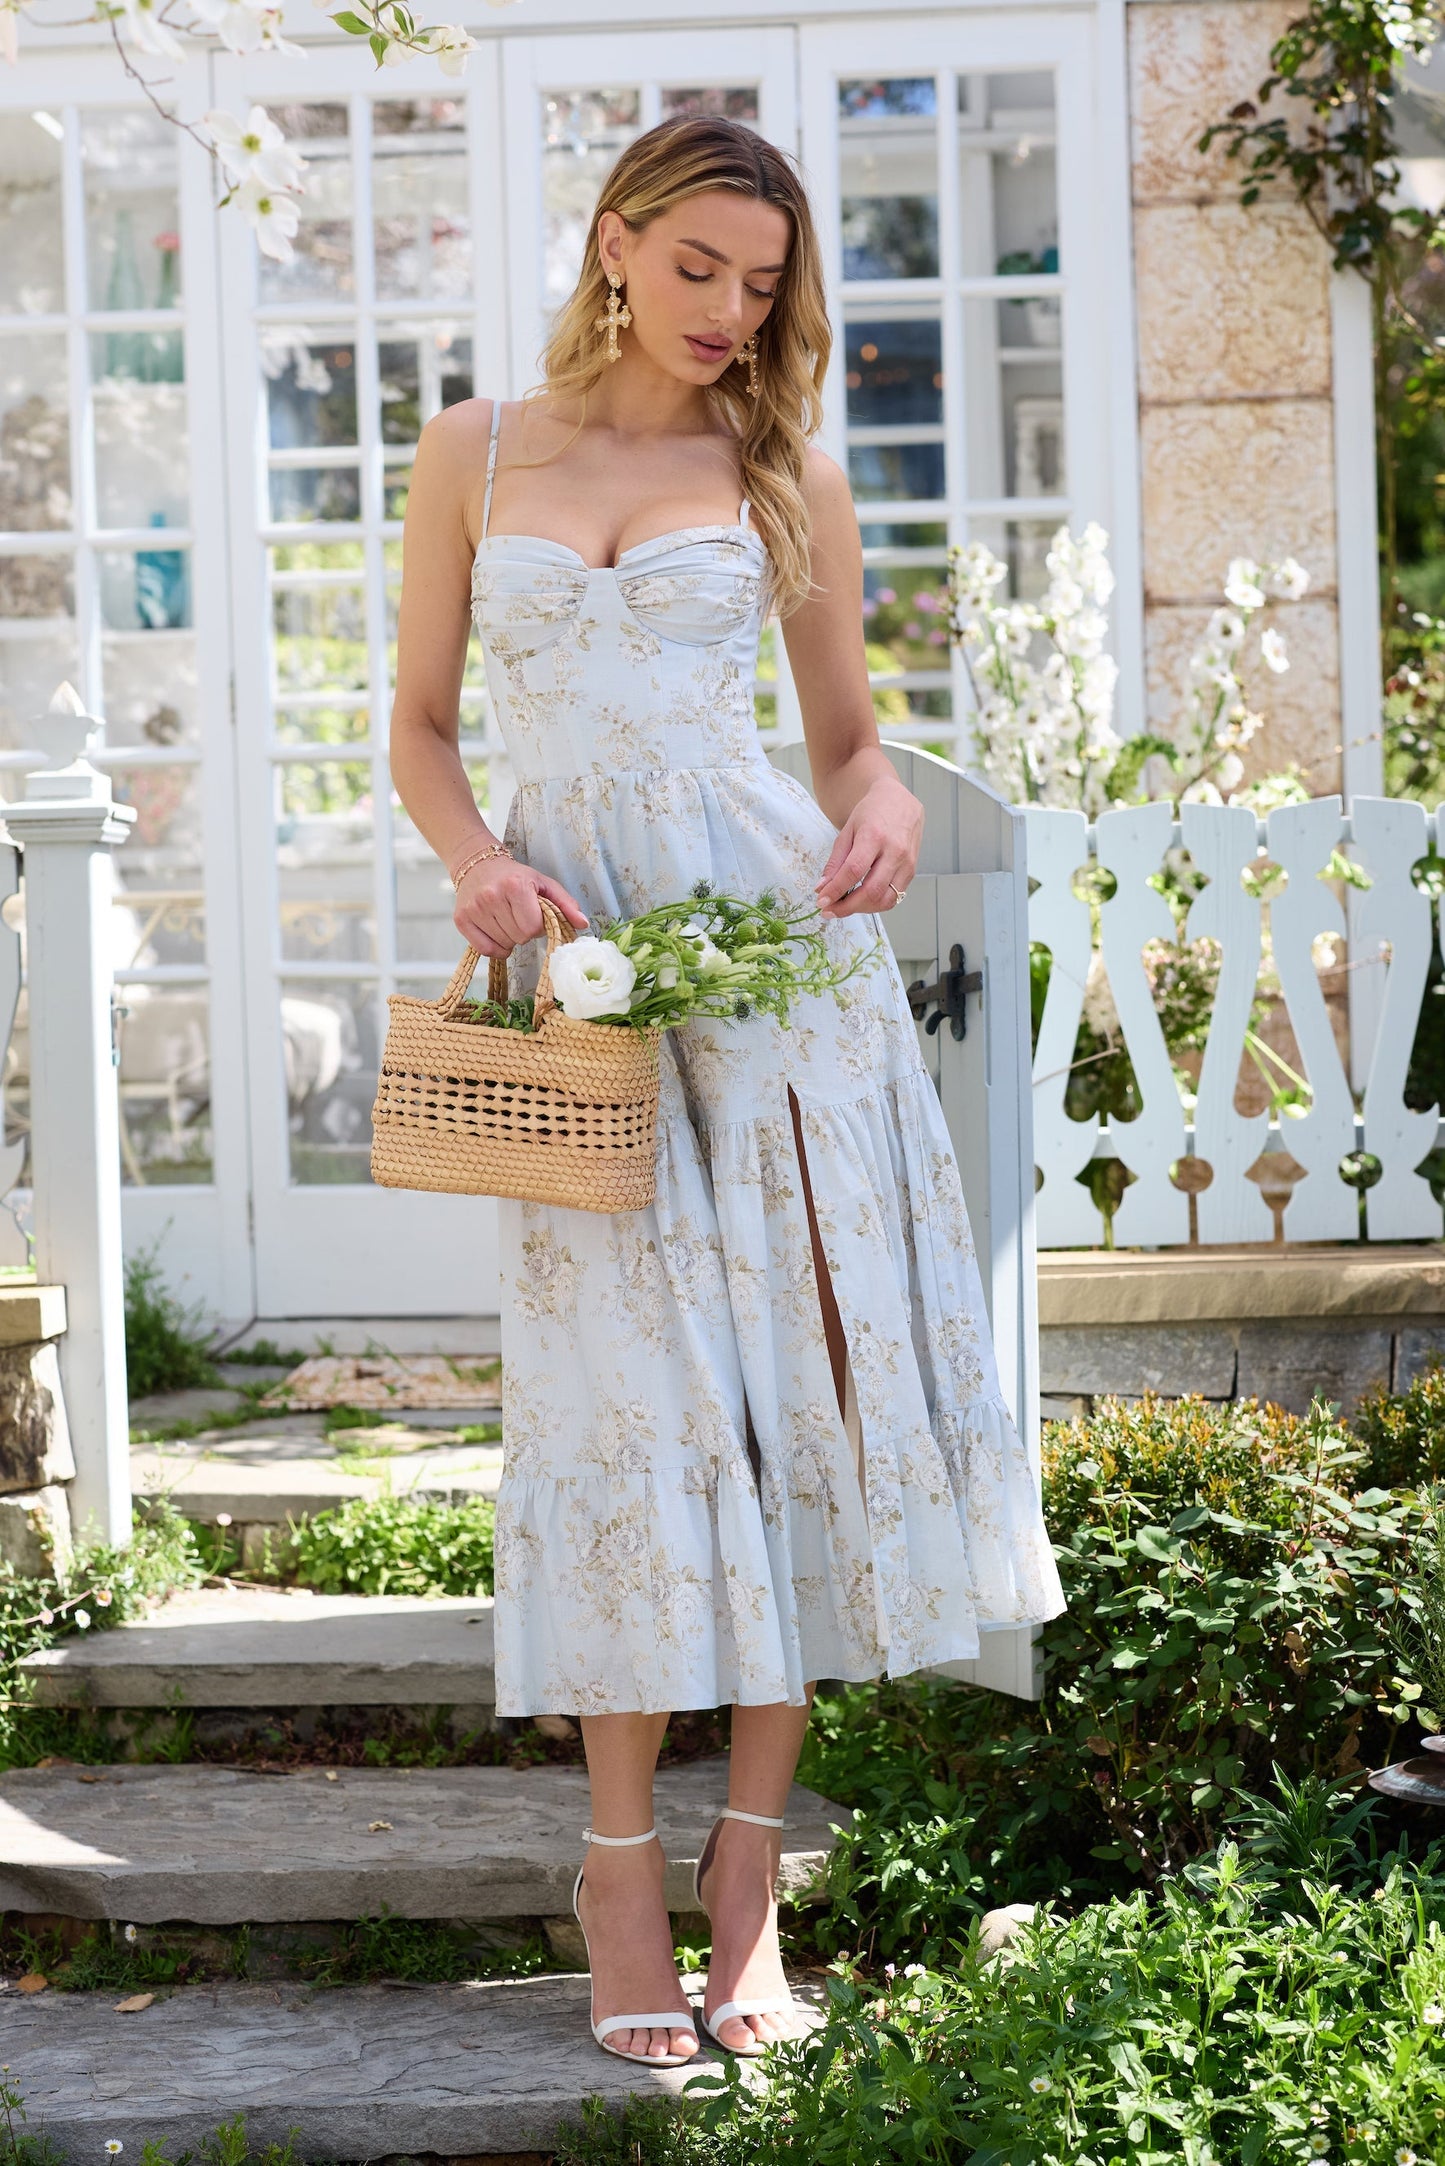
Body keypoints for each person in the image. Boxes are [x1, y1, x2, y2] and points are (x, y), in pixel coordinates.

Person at [389, 111, 1066, 2072]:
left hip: (775, 980)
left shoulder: (782, 471)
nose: (728, 312)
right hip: (582, 976)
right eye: (697, 268)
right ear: (614, 242)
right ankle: (617, 1869)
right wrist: (474, 867)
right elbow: (425, 725)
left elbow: (852, 748)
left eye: (762, 286)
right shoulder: (474, 454)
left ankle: (747, 1887)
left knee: (790, 1415)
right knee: (624, 1418)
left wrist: (866, 827)